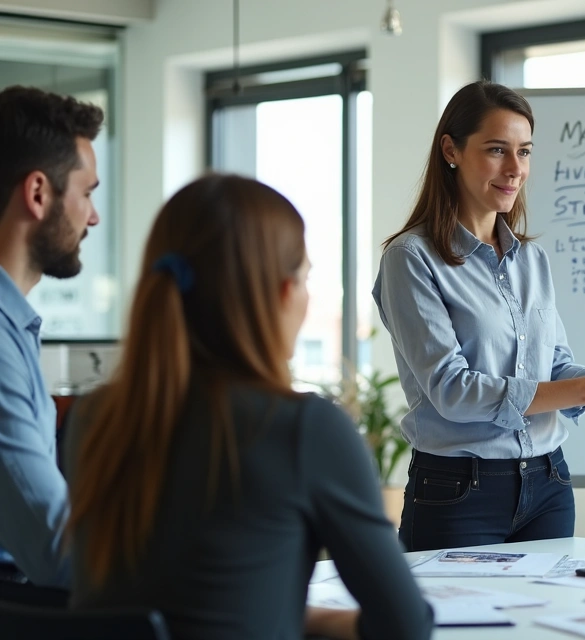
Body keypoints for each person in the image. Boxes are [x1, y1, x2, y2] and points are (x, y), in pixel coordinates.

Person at [65, 175, 433, 640]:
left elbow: (170, 601)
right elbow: (405, 626)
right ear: (281, 293)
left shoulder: (94, 420)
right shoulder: (304, 428)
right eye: (304, 279)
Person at [373, 80, 585, 552]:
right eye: (497, 150)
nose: (515, 169)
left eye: (525, 151)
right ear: (451, 150)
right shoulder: (411, 258)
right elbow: (453, 391)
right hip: (457, 493)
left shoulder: (530, 260)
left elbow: (552, 366)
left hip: (548, 481)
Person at [0, 85, 102, 593]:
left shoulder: (13, 327)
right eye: (87, 193)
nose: (94, 216)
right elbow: (55, 546)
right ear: (38, 193)